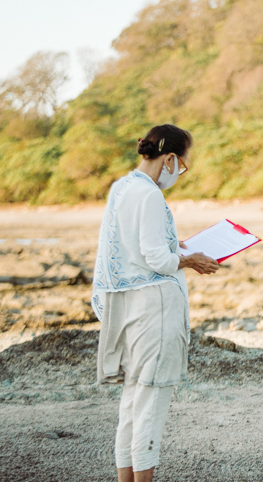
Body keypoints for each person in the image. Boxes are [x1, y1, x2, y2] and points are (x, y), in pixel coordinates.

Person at [92, 124, 219, 482]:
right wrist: (192, 261)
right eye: (182, 165)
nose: (179, 172)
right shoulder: (149, 195)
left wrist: (177, 247)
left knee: (132, 402)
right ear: (170, 159)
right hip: (154, 311)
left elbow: (133, 245)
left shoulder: (123, 187)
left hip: (132, 309)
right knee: (151, 403)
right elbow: (156, 259)